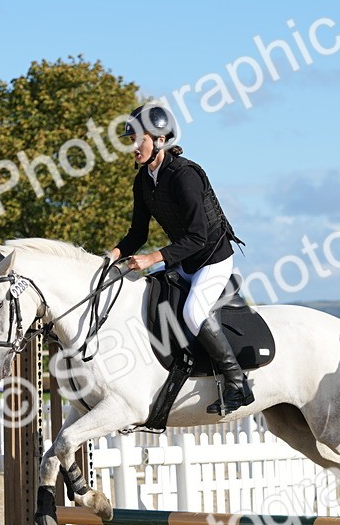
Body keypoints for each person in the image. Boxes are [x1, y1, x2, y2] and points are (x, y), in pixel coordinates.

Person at [108, 103, 252, 415]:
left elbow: (199, 236)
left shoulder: (185, 175)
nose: (132, 146)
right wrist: (112, 256)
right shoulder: (144, 180)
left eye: (138, 139)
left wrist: (153, 259)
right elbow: (137, 233)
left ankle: (237, 382)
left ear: (159, 139)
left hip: (212, 258)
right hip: (184, 260)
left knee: (192, 312)